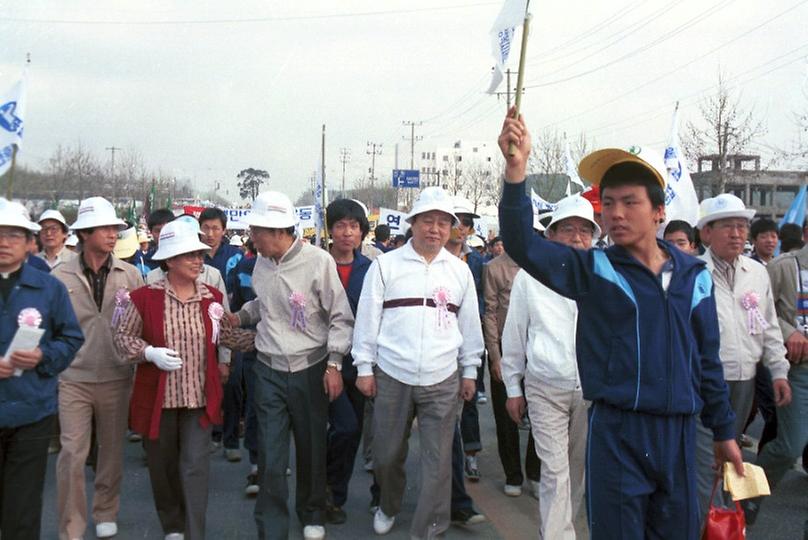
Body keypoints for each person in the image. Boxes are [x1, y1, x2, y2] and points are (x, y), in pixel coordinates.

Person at [497, 110, 742, 540]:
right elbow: (521, 243)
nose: (616, 213)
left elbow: (707, 362)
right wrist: (516, 172)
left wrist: (723, 432)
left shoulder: (694, 277)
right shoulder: (593, 270)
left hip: (680, 435)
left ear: (659, 210)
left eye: (630, 202)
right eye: (608, 203)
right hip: (616, 433)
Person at [352, 187, 483, 539]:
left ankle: (430, 526)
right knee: (387, 453)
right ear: (413, 224)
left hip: (443, 377)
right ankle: (388, 505)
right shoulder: (386, 265)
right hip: (393, 373)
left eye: (444, 223)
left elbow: (469, 326)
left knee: (438, 460)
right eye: (428, 221)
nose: (436, 229)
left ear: (452, 228)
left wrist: (469, 370)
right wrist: (364, 367)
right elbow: (368, 318)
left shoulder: (460, 272)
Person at [229, 192, 353, 540]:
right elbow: (265, 305)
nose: (251, 236)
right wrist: (240, 316)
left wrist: (334, 364)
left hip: (310, 368)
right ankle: (271, 527)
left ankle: (312, 512)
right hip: (267, 369)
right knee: (270, 454)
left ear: (278, 230)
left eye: (256, 230)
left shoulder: (318, 262)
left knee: (312, 446)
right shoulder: (262, 262)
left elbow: (341, 318)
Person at [114, 219, 236, 540]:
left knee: (196, 467)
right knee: (163, 467)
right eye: (189, 255)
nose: (198, 260)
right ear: (169, 261)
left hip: (198, 397)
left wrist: (263, 331)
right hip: (159, 397)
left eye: (199, 254)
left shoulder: (211, 297)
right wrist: (149, 352)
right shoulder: (143, 298)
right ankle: (173, 524)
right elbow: (122, 339)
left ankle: (195, 532)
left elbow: (226, 335)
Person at [502, 194, 597, 539]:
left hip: (591, 391)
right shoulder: (530, 278)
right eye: (567, 229)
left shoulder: (602, 275)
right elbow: (514, 335)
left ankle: (566, 531)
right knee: (555, 472)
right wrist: (513, 388)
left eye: (584, 230)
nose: (576, 238)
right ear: (551, 235)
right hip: (545, 386)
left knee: (578, 472)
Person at [693, 194, 791, 518]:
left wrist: (778, 370)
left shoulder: (756, 273)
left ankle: (722, 517)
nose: (737, 234)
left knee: (729, 449)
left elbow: (769, 326)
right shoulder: (693, 273)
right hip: (704, 380)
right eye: (727, 226)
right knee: (705, 455)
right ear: (706, 233)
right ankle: (706, 517)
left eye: (741, 226)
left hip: (745, 378)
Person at [52, 197, 143, 540]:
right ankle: (71, 525)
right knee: (72, 454)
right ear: (85, 233)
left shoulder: (130, 274)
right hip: (73, 377)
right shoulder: (59, 276)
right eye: (105, 228)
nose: (112, 234)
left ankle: (106, 510)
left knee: (111, 450)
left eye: (115, 228)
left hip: (118, 375)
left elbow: (140, 324)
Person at [0, 198, 84, 540]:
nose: (4, 243)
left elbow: (71, 337)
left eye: (13, 236)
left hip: (31, 411)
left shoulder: (49, 288)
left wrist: (42, 356)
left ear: (29, 242)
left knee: (22, 509)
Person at [745, 238, 808, 523]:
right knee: (789, 446)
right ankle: (749, 496)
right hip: (798, 370)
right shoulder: (785, 266)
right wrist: (786, 330)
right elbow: (755, 308)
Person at [323, 199, 373, 524]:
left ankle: (333, 494)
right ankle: (321, 489)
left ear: (362, 232)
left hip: (359, 363)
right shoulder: (317, 264)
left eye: (353, 226)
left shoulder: (371, 270)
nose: (347, 232)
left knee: (350, 431)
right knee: (340, 426)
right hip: (319, 362)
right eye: (340, 225)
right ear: (330, 229)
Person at [482, 228, 540, 499]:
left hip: (538, 348)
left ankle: (535, 472)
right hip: (505, 349)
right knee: (506, 415)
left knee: (541, 413)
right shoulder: (494, 268)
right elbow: (490, 313)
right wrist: (495, 356)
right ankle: (513, 475)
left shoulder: (541, 264)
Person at [444, 196, 485, 482]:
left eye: (466, 223)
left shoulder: (476, 261)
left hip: (468, 339)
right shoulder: (433, 257)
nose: (461, 228)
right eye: (456, 221)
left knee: (468, 399)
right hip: (441, 344)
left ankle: (470, 455)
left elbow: (480, 301)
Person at [133, 208, 175, 278]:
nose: (162, 234)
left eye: (166, 230)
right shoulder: (143, 263)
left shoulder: (185, 260)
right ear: (151, 232)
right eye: (158, 231)